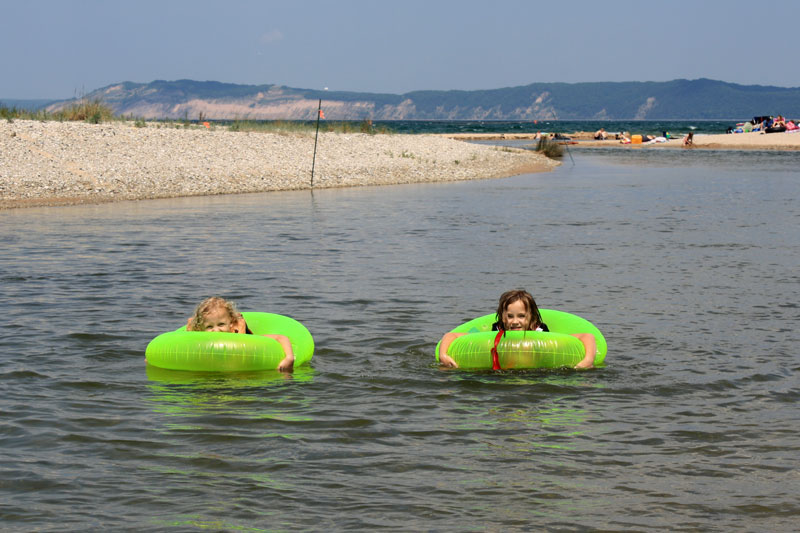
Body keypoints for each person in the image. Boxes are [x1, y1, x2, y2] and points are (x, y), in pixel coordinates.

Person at [438, 289, 597, 370]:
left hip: (536, 374)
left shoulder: (541, 332)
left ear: (532, 317)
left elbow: (587, 336)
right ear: (502, 316)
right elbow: (452, 335)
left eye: (521, 316)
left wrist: (588, 360)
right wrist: (443, 356)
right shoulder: (495, 330)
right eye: (510, 316)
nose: (515, 322)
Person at [186, 296, 295, 371]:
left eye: (221, 324)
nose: (216, 330)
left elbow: (280, 338)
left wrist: (289, 358)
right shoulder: (197, 341)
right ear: (200, 328)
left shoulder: (246, 340)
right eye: (209, 327)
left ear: (231, 323)